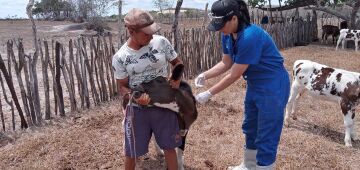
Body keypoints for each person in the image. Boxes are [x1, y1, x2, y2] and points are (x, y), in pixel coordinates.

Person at [194, 0, 290, 169]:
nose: (219, 29)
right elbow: (226, 62)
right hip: (255, 83)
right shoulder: (227, 35)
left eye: (221, 24)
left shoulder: (250, 37)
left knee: (267, 130)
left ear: (234, 19)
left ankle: (264, 167)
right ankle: (249, 165)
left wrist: (209, 93)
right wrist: (205, 75)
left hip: (273, 85)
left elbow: (234, 75)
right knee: (250, 126)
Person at [112, 8, 183, 170]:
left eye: (152, 32)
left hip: (164, 105)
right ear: (131, 31)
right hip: (138, 111)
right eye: (146, 34)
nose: (151, 36)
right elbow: (122, 86)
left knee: (169, 147)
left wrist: (176, 79)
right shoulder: (121, 57)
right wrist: (135, 97)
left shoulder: (161, 42)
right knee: (132, 152)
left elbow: (177, 63)